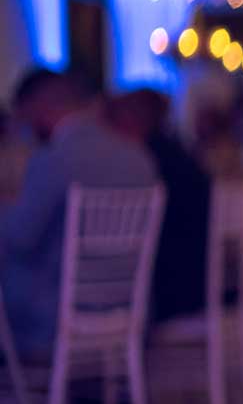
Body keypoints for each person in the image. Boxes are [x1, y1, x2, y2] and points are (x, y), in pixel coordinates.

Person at [1, 70, 158, 354]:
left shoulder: (52, 160)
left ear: (38, 107)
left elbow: (18, 238)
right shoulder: (139, 158)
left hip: (53, 318)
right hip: (130, 313)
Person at [106, 89, 211, 324]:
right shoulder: (180, 155)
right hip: (195, 284)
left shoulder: (146, 162)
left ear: (128, 119)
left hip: (168, 294)